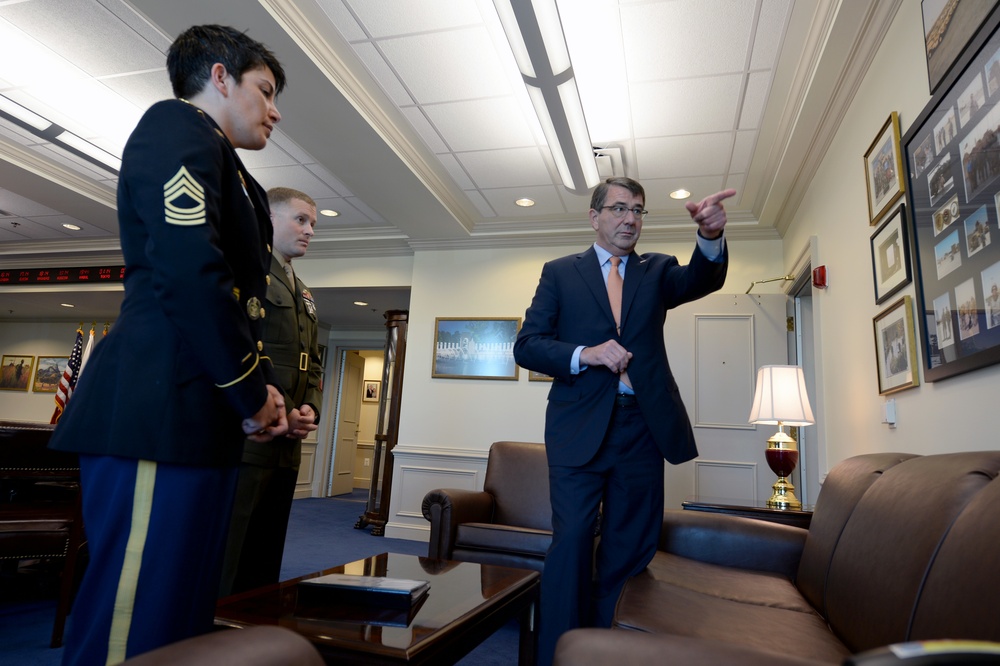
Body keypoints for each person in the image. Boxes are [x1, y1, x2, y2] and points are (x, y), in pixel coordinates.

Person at [48, 25, 289, 665]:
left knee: (179, 613)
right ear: (219, 77)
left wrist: (257, 393)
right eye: (264, 90)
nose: (275, 109)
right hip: (159, 409)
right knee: (133, 615)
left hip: (195, 410)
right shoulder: (176, 126)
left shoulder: (228, 164)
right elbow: (188, 269)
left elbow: (243, 303)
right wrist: (246, 388)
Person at [513, 177, 734, 665]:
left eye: (638, 210)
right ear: (595, 217)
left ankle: (608, 651)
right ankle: (559, 654)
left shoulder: (657, 271)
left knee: (628, 545)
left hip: (642, 428)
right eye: (618, 208)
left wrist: (711, 237)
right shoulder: (559, 273)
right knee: (570, 543)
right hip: (578, 430)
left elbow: (702, 278)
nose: (630, 218)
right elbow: (527, 345)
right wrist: (584, 353)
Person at [219, 187, 322, 596]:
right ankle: (215, 637)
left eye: (313, 223)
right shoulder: (246, 269)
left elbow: (311, 360)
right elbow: (242, 349)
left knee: (267, 545)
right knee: (230, 546)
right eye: (301, 219)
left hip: (288, 441)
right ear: (268, 217)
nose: (309, 230)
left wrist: (310, 407)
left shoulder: (303, 288)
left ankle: (254, 629)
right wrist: (288, 409)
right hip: (252, 433)